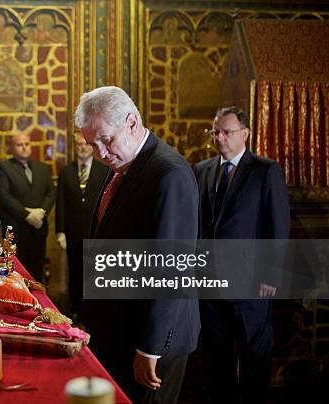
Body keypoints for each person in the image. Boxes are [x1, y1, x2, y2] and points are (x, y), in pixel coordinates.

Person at [75, 86, 200, 404]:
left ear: (131, 122)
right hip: (117, 329)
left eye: (106, 139)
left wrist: (150, 347)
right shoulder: (121, 163)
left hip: (150, 340)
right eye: (93, 144)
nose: (100, 153)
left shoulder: (168, 173)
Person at [194, 106, 290, 404]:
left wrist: (270, 276)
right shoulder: (202, 169)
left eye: (226, 131)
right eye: (215, 132)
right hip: (210, 287)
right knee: (216, 360)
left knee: (253, 362)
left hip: (251, 286)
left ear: (245, 133)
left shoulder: (265, 170)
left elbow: (278, 227)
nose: (219, 137)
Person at [55, 133, 108, 317]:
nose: (83, 148)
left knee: (94, 273)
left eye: (86, 144)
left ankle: (92, 312)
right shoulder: (66, 171)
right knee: (76, 273)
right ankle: (76, 310)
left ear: (92, 147)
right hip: (73, 234)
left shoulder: (104, 170)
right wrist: (60, 232)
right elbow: (60, 202)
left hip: (96, 233)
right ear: (74, 147)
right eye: (79, 145)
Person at [0, 133, 56, 282]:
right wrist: (27, 215)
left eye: (27, 144)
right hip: (16, 229)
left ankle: (38, 302)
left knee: (37, 270)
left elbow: (51, 192)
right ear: (12, 148)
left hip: (38, 228)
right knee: (17, 272)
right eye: (19, 145)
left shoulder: (42, 168)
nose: (24, 147)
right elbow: (4, 197)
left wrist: (41, 212)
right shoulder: (4, 167)